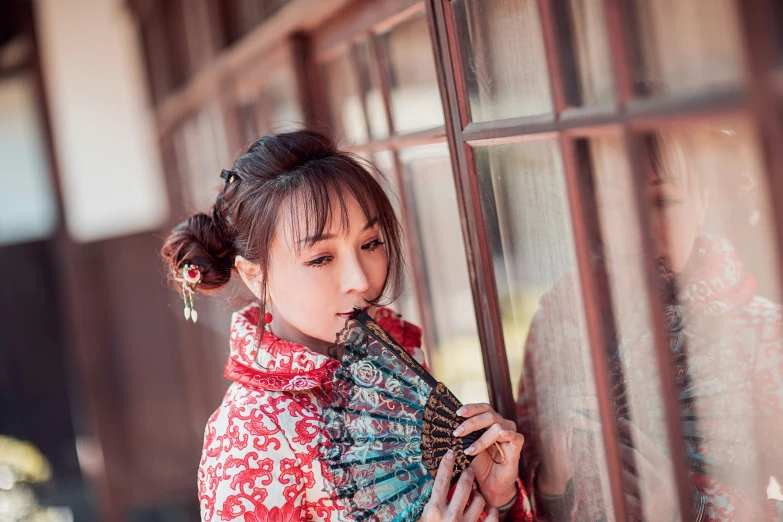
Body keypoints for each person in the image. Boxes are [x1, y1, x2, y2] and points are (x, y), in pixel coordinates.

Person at [160, 130, 532, 522]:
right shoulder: (251, 430)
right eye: (321, 258)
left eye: (370, 243)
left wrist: (500, 498)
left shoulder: (394, 360)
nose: (360, 278)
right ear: (254, 275)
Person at [516, 129, 783, 521]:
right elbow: (515, 496)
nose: (636, 227)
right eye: (612, 202)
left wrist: (687, 511)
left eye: (662, 200)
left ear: (703, 200)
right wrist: (552, 483)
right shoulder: (555, 328)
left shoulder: (761, 332)